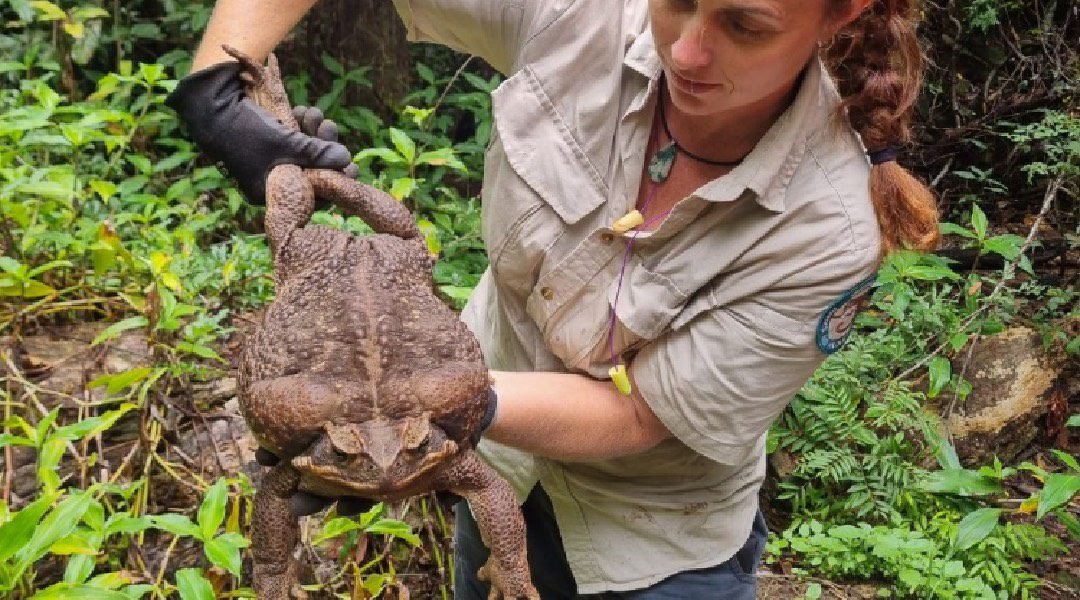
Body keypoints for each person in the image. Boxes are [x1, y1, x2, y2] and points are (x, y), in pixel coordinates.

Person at [167, 0, 939, 597]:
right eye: (675, 2)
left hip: (653, 546)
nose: (690, 50)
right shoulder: (588, 16)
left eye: (745, 23)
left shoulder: (829, 229)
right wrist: (216, 95)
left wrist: (412, 410)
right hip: (495, 472)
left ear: (841, 12)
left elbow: (642, 415)